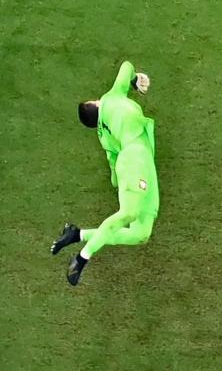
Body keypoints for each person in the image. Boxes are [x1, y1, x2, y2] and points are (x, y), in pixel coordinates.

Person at [51, 61, 159, 286]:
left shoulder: (103, 136)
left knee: (141, 233)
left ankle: (77, 235)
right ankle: (82, 258)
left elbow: (112, 166)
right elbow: (127, 65)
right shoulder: (111, 97)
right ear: (95, 104)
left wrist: (119, 182)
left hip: (142, 162)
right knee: (129, 213)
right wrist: (134, 81)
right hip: (135, 158)